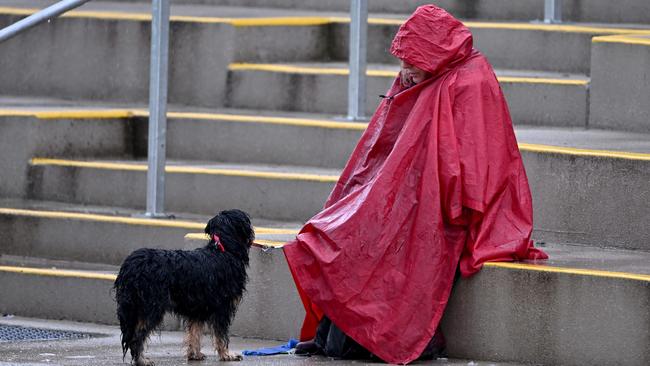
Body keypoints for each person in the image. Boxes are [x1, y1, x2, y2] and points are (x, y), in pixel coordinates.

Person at [283, 5, 548, 364]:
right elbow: (383, 148)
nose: (404, 71)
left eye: (411, 62)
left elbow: (476, 167)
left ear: (431, 54)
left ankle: (362, 337)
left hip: (444, 203)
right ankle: (331, 331)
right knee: (345, 230)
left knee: (387, 240)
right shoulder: (426, 73)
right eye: (402, 62)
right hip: (410, 189)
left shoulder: (470, 80)